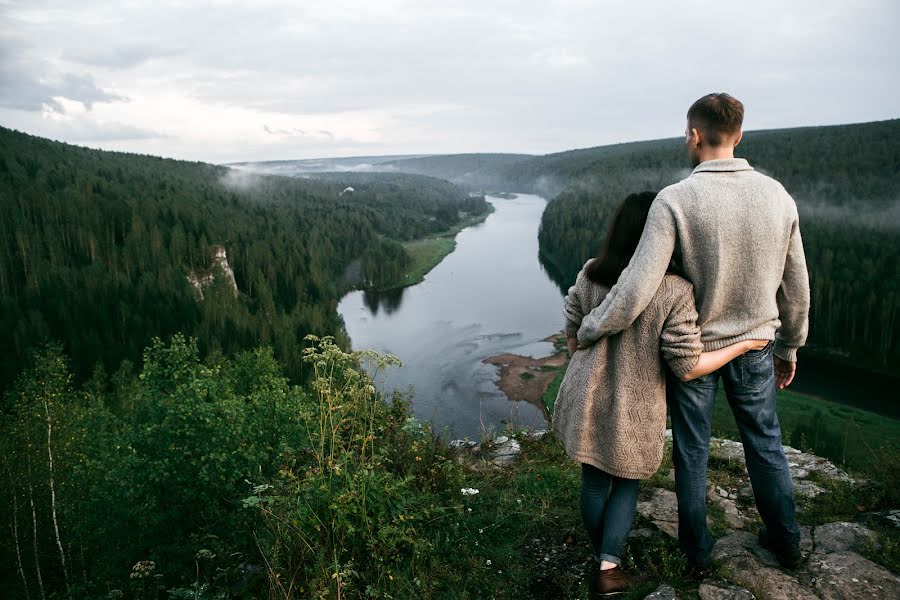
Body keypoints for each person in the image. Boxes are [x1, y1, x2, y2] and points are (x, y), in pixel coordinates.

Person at [575, 93, 810, 573]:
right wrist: (791, 344)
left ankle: (698, 552)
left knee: (691, 449)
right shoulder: (777, 195)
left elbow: (638, 286)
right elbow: (797, 284)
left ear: (694, 135)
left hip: (695, 347)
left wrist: (593, 325)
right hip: (756, 346)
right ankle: (787, 542)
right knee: (764, 442)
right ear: (739, 135)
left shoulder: (676, 199)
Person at [553, 191, 767, 597]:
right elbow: (688, 366)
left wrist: (584, 370)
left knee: (594, 481)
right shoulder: (674, 290)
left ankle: (600, 551)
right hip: (635, 406)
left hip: (586, 397)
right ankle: (609, 566)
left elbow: (572, 329)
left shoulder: (590, 274)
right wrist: (744, 344)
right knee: (627, 481)